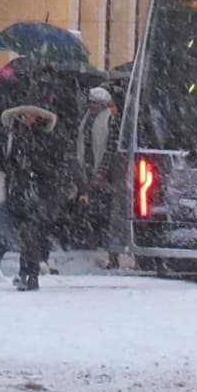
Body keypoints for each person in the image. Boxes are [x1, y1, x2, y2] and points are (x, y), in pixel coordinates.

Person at [0, 103, 68, 290]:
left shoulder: (35, 139)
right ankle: (28, 272)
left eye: (30, 116)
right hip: (23, 190)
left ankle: (28, 272)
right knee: (28, 234)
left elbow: (49, 168)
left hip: (33, 191)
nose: (26, 119)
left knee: (30, 233)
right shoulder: (14, 137)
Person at [76, 85, 124, 266]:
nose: (90, 105)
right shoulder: (87, 119)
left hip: (106, 175)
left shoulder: (110, 120)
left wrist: (102, 173)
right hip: (89, 167)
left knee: (109, 214)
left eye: (94, 103)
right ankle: (100, 247)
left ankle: (113, 254)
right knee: (95, 211)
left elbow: (110, 150)